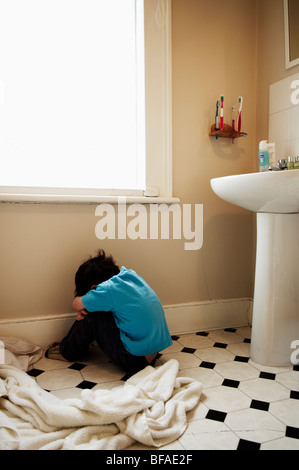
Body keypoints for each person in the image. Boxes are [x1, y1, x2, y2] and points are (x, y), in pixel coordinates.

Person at [46, 250, 172, 374]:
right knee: (102, 308)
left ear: (94, 288)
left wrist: (86, 307)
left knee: (94, 315)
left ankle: (67, 351)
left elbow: (76, 304)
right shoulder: (130, 276)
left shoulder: (107, 290)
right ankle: (71, 343)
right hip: (153, 354)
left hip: (134, 361)